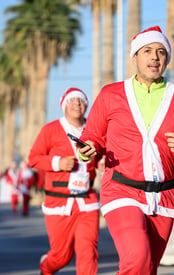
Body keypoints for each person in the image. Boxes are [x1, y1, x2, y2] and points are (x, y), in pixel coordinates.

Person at [78, 25, 174, 275]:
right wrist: (88, 149)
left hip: (164, 198)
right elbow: (92, 136)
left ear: (167, 60)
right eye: (147, 51)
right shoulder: (110, 94)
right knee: (137, 260)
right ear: (135, 57)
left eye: (161, 52)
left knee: (148, 268)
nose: (155, 57)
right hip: (121, 190)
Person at [28, 87, 101, 275]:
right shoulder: (50, 130)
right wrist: (57, 162)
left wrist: (102, 162)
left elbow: (103, 153)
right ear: (63, 105)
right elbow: (33, 159)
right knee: (62, 255)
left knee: (88, 251)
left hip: (87, 201)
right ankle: (47, 267)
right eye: (72, 100)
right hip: (58, 201)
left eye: (81, 100)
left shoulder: (94, 130)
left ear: (86, 105)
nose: (77, 103)